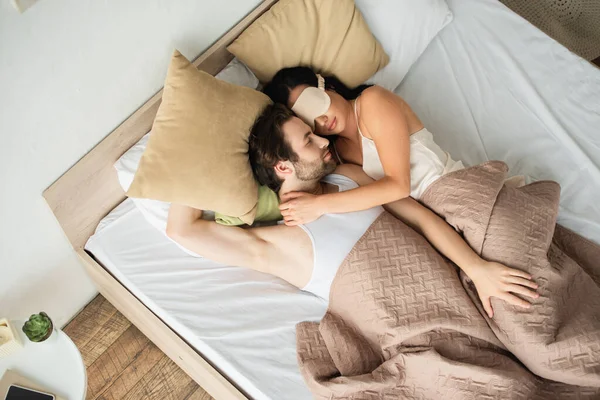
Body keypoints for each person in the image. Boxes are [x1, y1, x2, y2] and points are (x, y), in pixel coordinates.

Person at [166, 104, 538, 318]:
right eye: (309, 141)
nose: (324, 141)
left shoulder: (346, 177)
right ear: (283, 167)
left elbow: (422, 219)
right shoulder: (274, 243)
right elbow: (182, 229)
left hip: (462, 281)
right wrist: (203, 142)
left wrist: (477, 268)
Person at [263, 66, 465, 226]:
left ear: (326, 86)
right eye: (309, 119)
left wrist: (318, 206)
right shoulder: (336, 158)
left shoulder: (372, 101)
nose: (322, 120)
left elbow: (399, 185)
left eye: (317, 103)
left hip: (455, 195)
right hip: (434, 227)